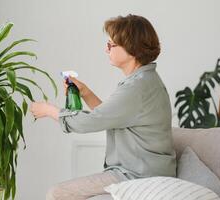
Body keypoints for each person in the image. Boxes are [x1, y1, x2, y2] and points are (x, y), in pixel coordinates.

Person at [30, 14, 176, 200]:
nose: (106, 49)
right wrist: (86, 93)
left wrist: (48, 110)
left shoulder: (136, 88)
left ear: (131, 48)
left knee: (57, 193)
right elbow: (110, 118)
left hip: (138, 176)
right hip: (143, 171)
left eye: (111, 45)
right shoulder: (144, 81)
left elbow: (90, 122)